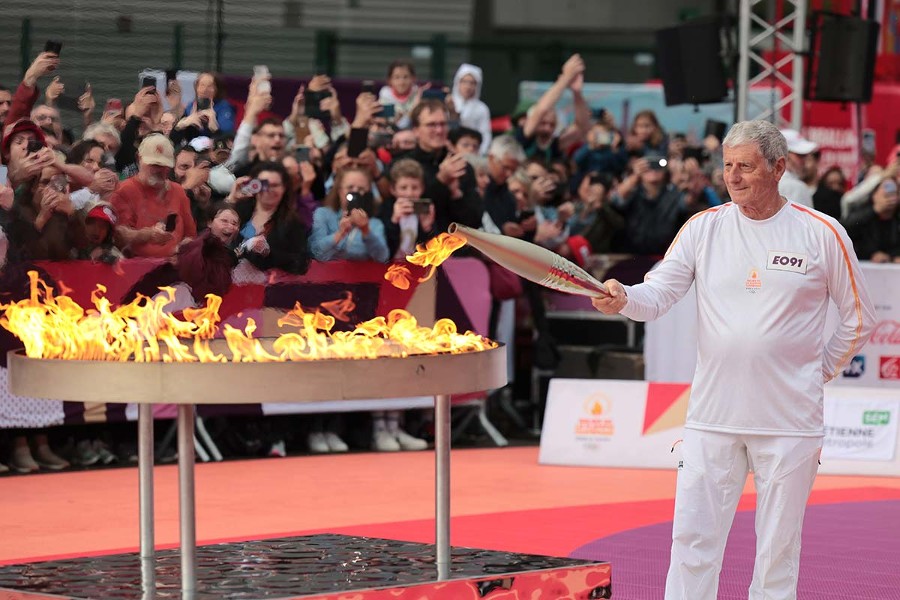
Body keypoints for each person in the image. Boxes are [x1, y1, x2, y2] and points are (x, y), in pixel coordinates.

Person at [591, 120, 876, 600]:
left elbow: (859, 319)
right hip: (712, 419)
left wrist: (815, 372)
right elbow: (657, 294)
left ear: (779, 168)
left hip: (789, 423)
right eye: (728, 166)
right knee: (692, 542)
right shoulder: (703, 228)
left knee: (777, 552)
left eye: (746, 166)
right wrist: (623, 298)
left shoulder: (823, 233)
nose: (735, 176)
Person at [110, 133, 196, 258]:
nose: (159, 170)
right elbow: (117, 236)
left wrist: (182, 249)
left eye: (164, 166)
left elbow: (190, 235)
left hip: (173, 268)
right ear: (139, 158)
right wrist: (147, 235)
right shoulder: (124, 191)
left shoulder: (178, 192)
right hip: (135, 268)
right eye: (154, 164)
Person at [449, 64, 492, 154]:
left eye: (472, 83)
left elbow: (485, 135)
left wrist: (479, 154)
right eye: (464, 82)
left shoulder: (482, 108)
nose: (468, 86)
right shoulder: (449, 102)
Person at [777, 129, 817, 208]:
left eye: (806, 155)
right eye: (800, 155)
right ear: (785, 156)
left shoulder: (764, 181)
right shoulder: (797, 187)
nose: (805, 160)